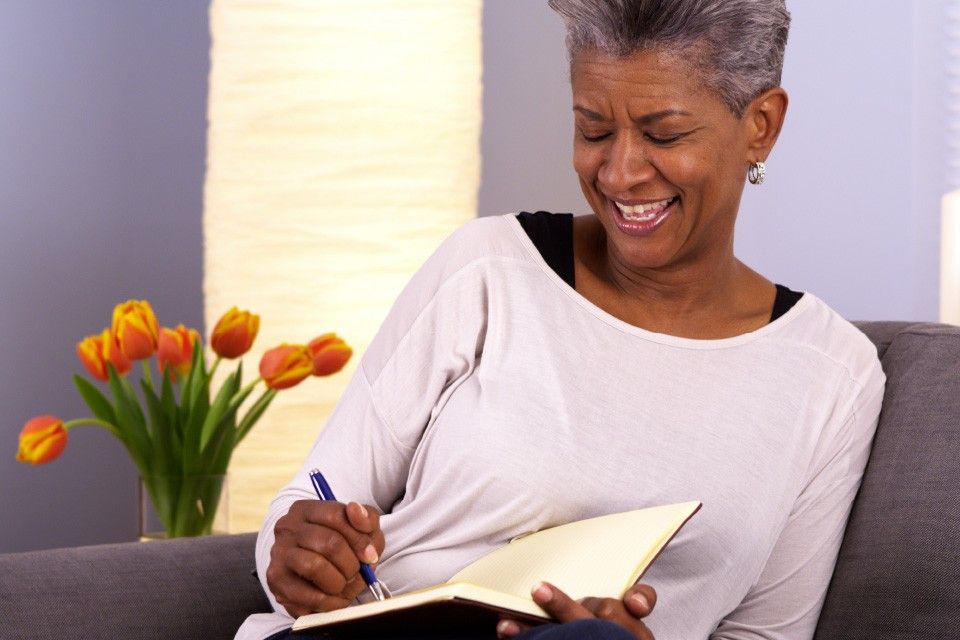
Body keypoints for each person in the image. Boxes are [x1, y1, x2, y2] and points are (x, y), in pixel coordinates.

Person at [236, 1, 885, 639]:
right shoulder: (488, 270)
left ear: (761, 125)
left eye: (663, 133)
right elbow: (307, 506)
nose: (620, 172)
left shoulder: (832, 375)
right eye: (594, 130)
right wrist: (299, 553)